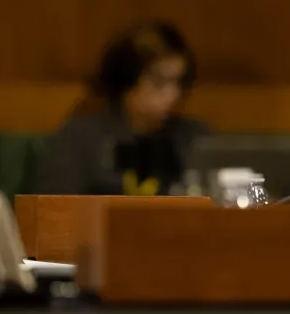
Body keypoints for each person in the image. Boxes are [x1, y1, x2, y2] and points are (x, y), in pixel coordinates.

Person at [34, 20, 209, 196]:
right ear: (126, 81)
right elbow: (55, 209)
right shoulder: (79, 139)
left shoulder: (194, 139)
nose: (173, 94)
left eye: (180, 82)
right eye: (159, 82)